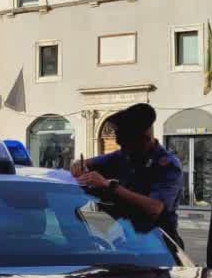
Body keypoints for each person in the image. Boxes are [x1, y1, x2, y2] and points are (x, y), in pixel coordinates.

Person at [69, 103, 184, 243]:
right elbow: (87, 163)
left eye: (126, 144)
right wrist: (78, 165)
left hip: (158, 243)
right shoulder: (123, 155)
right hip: (126, 241)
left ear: (144, 138)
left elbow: (155, 208)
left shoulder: (167, 165)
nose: (122, 148)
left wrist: (109, 186)